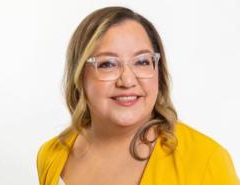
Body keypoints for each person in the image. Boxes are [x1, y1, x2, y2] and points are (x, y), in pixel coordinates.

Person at [36, 6, 239, 185]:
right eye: (108, 64)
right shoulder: (52, 154)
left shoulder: (206, 160)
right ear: (79, 75)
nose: (127, 80)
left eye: (142, 61)